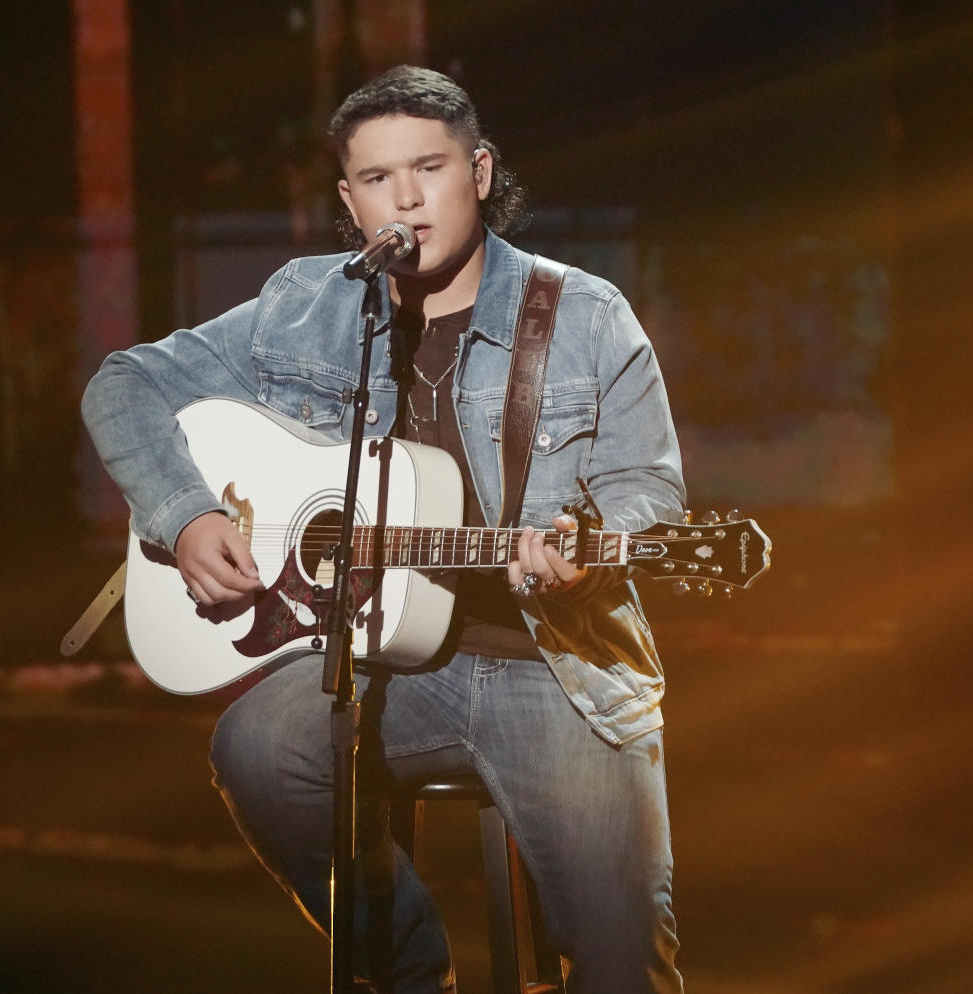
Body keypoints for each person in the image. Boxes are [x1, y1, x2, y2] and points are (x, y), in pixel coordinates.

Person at [82, 65, 686, 993]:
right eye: (375, 179)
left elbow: (649, 488)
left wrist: (583, 547)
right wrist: (187, 514)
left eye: (429, 168)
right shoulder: (306, 304)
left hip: (551, 662)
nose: (406, 197)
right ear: (348, 199)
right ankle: (410, 972)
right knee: (257, 746)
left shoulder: (583, 315)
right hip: (382, 665)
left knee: (621, 968)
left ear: (478, 173)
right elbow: (123, 385)